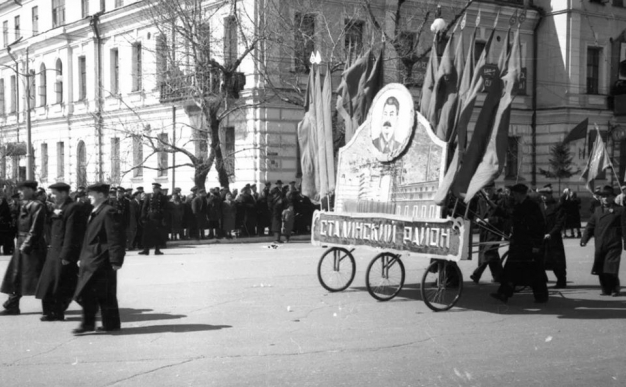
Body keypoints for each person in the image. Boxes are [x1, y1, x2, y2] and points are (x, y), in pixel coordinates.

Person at [72, 183, 125, 334]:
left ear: (101, 195)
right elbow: (89, 237)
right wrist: (82, 257)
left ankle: (93, 323)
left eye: (91, 193)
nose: (88, 196)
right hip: (92, 257)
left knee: (92, 291)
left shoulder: (108, 211)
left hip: (101, 259)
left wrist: (116, 260)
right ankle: (110, 324)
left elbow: (115, 237)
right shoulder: (96, 211)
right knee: (102, 292)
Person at [491, 183, 548, 304]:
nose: (512, 196)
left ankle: (541, 296)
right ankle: (504, 293)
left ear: (519, 194)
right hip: (518, 244)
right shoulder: (519, 205)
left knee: (535, 271)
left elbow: (539, 226)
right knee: (511, 269)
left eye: (514, 194)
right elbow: (510, 216)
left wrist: (537, 245)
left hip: (529, 245)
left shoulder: (531, 206)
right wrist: (497, 209)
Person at [35, 183, 85, 321]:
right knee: (51, 282)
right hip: (54, 250)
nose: (52, 196)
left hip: (63, 252)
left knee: (62, 284)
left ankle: (56, 311)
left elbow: (71, 233)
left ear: (64, 194)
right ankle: (51, 311)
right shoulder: (57, 207)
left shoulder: (73, 208)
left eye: (54, 193)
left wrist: (67, 255)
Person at [0, 181, 47, 315]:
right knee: (16, 275)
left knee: (38, 276)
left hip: (33, 246)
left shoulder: (37, 206)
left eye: (23, 190)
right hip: (22, 242)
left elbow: (36, 229)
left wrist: (26, 245)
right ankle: (12, 304)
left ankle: (51, 306)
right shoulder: (23, 205)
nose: (20, 193)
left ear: (32, 190)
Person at [581, 185, 625, 297]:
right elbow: (590, 226)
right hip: (600, 243)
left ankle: (615, 289)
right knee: (601, 268)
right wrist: (584, 239)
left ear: (613, 197)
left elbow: (625, 227)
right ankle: (606, 290)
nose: (605, 198)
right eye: (603, 196)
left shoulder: (620, 210)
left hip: (614, 243)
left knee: (611, 268)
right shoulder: (597, 210)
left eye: (608, 196)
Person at [470, 183, 504, 284]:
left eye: (490, 189)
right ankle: (499, 277)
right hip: (484, 230)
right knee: (492, 254)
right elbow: (477, 212)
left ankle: (477, 274)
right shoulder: (481, 200)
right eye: (486, 190)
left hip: (495, 231)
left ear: (494, 189)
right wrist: (477, 218)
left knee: (487, 252)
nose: (488, 192)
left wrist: (489, 220)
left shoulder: (500, 200)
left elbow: (503, 217)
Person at [538, 186, 568, 289]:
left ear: (550, 195)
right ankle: (542, 280)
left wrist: (551, 233)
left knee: (557, 261)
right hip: (542, 238)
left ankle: (561, 281)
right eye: (541, 195)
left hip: (553, 238)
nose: (543, 197)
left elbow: (560, 223)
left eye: (545, 195)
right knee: (540, 260)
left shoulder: (557, 206)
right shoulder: (540, 206)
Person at [139, 183, 168, 255]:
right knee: (147, 234)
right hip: (150, 217)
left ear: (158, 189)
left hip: (158, 217)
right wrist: (143, 217)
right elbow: (144, 207)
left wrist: (164, 217)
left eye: (155, 188)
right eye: (153, 188)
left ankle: (157, 249)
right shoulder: (149, 196)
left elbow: (165, 208)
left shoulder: (162, 197)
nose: (154, 190)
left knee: (157, 234)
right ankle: (146, 250)